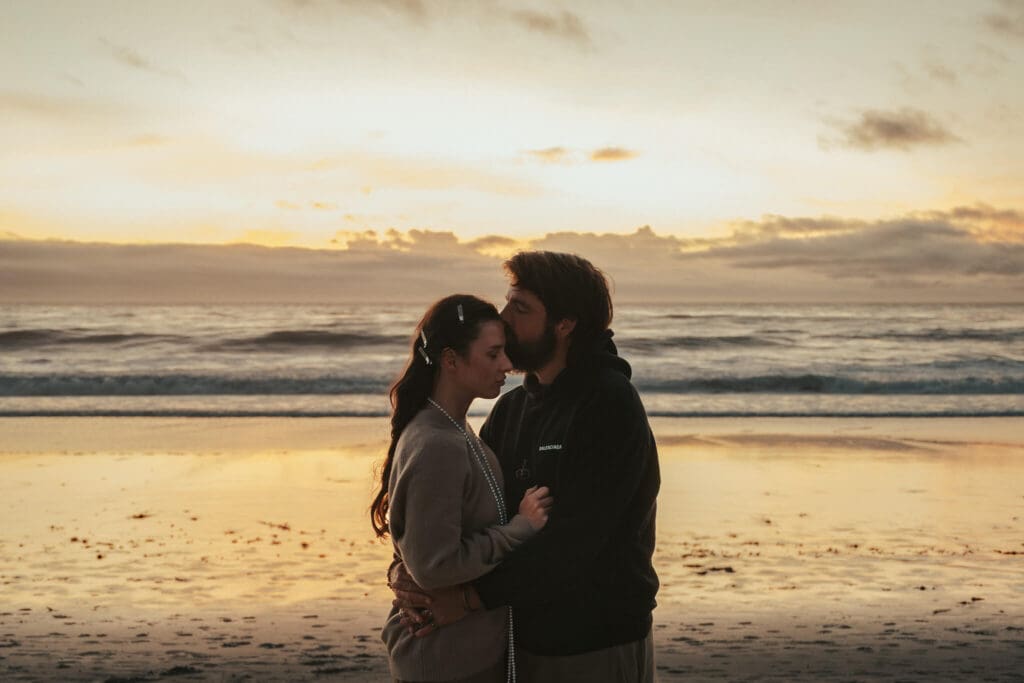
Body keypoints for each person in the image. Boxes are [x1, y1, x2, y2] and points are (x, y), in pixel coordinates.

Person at [391, 252, 661, 683]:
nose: (503, 317)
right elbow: (461, 514)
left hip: (595, 640)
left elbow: (578, 541)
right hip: (520, 638)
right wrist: (408, 572)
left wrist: (467, 599)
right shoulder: (512, 409)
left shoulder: (608, 405)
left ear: (564, 324)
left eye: (520, 308)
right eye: (508, 302)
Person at [371, 293, 555, 683]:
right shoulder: (438, 444)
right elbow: (437, 566)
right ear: (451, 360)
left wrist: (401, 569)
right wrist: (520, 528)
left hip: (461, 652)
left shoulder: (455, 429)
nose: (507, 364)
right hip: (442, 658)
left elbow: (423, 552)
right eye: (493, 354)